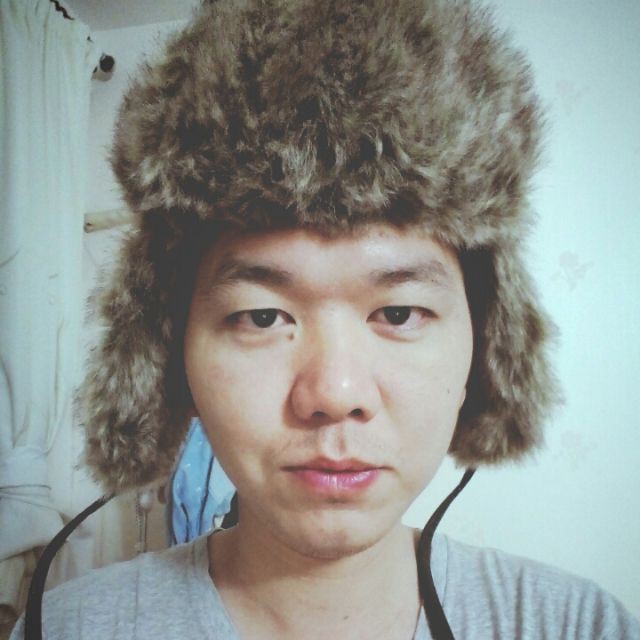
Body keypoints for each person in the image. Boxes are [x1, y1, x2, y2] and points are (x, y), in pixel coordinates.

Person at [11, 0, 640, 638]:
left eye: (399, 312)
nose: (335, 394)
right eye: (262, 316)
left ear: (486, 353)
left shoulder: (577, 626)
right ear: (168, 362)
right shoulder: (67, 628)